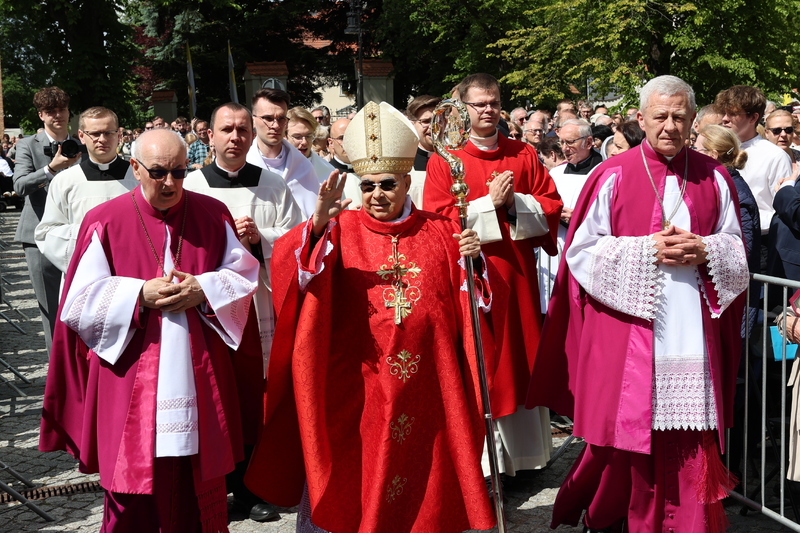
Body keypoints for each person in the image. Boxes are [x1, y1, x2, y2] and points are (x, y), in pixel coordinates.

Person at [244, 101, 496, 533]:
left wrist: (473, 263)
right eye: (367, 186)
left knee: (425, 477)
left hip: (430, 387)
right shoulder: (341, 229)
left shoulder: (441, 229)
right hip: (358, 386)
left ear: (405, 183)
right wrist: (318, 226)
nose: (375, 194)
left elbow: (476, 304)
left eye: (386, 185)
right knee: (356, 473)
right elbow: (295, 270)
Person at [529, 75, 749, 532]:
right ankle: (621, 518)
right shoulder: (612, 173)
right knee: (628, 434)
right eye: (660, 116)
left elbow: (736, 246)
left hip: (691, 329)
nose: (670, 126)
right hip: (631, 330)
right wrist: (648, 250)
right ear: (641, 118)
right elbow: (582, 252)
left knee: (689, 438)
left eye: (679, 117)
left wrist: (705, 250)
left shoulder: (714, 176)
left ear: (692, 120)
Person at [39, 128, 260, 531]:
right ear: (136, 168)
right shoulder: (104, 220)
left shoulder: (212, 213)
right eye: (159, 172)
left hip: (199, 370)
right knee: (132, 488)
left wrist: (204, 288)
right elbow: (78, 300)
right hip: (131, 375)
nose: (171, 182)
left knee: (199, 482)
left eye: (179, 170)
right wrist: (137, 293)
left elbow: (243, 276)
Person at [425, 73, 563, 483]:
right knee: (487, 362)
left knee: (521, 360)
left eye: (494, 102)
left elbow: (552, 204)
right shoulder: (445, 159)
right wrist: (489, 204)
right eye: (479, 103)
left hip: (517, 274)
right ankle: (488, 466)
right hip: (474, 279)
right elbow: (437, 222)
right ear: (463, 109)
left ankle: (528, 459)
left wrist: (511, 205)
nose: (488, 109)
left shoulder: (523, 153)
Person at [184, 102, 302, 523]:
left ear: (252, 136)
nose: (235, 137)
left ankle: (254, 488)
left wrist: (259, 239)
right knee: (220, 392)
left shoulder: (272, 184)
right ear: (209, 136)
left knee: (258, 394)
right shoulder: (193, 185)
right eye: (226, 129)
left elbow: (295, 240)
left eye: (242, 130)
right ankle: (220, 483)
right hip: (213, 307)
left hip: (262, 303)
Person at [13, 86, 81, 352]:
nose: (57, 115)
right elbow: (19, 185)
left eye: (61, 109)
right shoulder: (27, 144)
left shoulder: (83, 142)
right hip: (37, 235)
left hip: (79, 231)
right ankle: (58, 378)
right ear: (41, 115)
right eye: (50, 111)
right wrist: (51, 168)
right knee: (50, 308)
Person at [35, 106, 138, 275]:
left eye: (108, 133)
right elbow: (47, 233)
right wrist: (93, 236)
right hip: (84, 274)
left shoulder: (139, 177)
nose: (102, 139)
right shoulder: (65, 181)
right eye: (95, 134)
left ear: (119, 136)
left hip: (133, 270)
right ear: (82, 136)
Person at [247, 88, 318, 219]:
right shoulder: (243, 165)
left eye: (281, 118)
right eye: (268, 118)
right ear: (253, 121)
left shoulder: (303, 167)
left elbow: (313, 220)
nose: (275, 125)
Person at [406, 94, 442, 208]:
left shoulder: (456, 161)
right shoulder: (404, 164)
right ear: (412, 124)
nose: (433, 127)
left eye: (438, 120)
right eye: (426, 121)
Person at [285, 106, 336, 184]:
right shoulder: (271, 169)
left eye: (309, 136)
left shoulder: (328, 171)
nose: (304, 142)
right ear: (285, 136)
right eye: (297, 137)